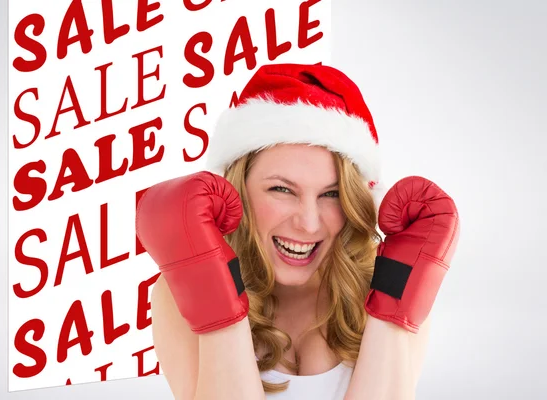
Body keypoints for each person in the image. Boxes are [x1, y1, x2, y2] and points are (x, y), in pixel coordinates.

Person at [135, 63, 460, 400]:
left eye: (331, 194)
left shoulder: (391, 280)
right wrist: (219, 310)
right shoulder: (178, 291)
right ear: (237, 190)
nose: (308, 223)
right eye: (282, 190)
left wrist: (389, 310)